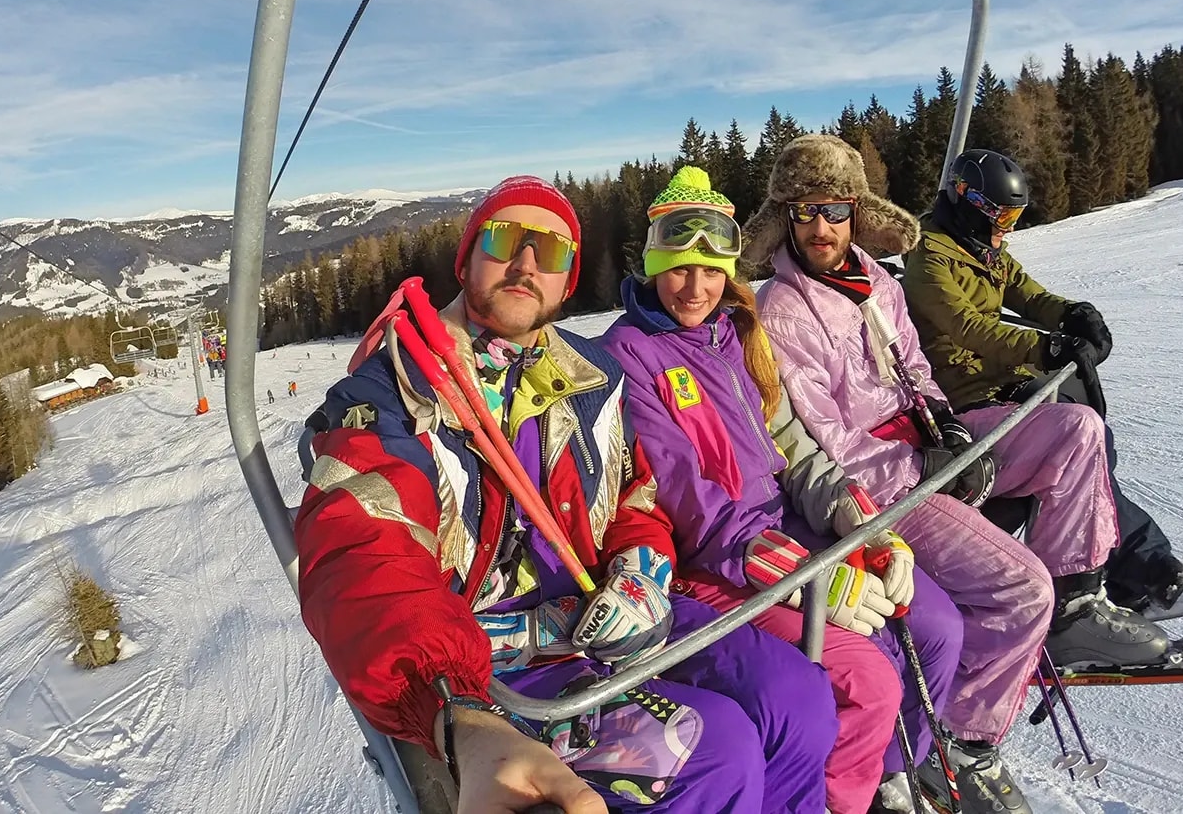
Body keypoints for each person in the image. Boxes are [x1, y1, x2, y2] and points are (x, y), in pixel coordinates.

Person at [296, 175, 838, 814]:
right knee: (715, 751)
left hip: (605, 609)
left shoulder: (591, 375)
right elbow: (364, 555)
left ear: (568, 279)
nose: (527, 263)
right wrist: (460, 711)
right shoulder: (394, 394)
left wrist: (641, 569)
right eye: (506, 241)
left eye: (550, 252)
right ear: (465, 257)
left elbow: (635, 499)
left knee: (798, 697)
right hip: (495, 659)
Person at [741, 135, 1173, 814]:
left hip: (924, 443)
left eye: (831, 208)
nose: (819, 226)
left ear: (855, 211)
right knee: (1018, 586)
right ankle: (961, 742)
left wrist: (943, 424)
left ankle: (1077, 602)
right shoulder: (783, 312)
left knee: (1075, 430)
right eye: (802, 211)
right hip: (880, 487)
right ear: (785, 219)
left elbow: (915, 368)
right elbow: (831, 439)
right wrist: (926, 465)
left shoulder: (876, 279)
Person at [602, 168, 965, 814]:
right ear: (654, 263)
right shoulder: (632, 352)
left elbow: (790, 444)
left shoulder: (734, 333)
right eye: (679, 267)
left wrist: (857, 516)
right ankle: (837, 799)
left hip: (788, 526)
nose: (695, 286)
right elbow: (686, 492)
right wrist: (800, 575)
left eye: (711, 268)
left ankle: (886, 772)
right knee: (869, 676)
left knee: (931, 625)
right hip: (716, 559)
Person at [900, 149, 1183, 613]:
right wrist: (1046, 348)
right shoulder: (929, 259)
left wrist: (1074, 314)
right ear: (963, 196)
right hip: (965, 397)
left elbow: (1032, 296)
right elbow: (969, 327)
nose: (1007, 225)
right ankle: (1129, 564)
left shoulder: (984, 249)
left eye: (1014, 214)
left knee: (1094, 441)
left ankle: (1127, 559)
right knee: (1081, 443)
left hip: (1005, 383)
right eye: (1000, 213)